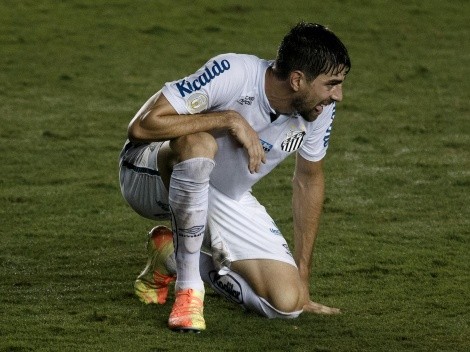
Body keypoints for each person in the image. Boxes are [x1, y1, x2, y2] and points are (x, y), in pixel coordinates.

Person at [119, 21, 351, 333]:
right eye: (331, 84)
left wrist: (303, 275)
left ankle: (170, 257)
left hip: (224, 195)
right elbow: (142, 126)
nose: (338, 96)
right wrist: (229, 119)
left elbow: (309, 180)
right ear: (297, 79)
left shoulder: (318, 110)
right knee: (200, 145)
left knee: (286, 304)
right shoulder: (234, 73)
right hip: (150, 173)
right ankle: (189, 291)